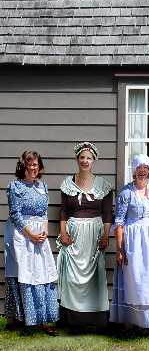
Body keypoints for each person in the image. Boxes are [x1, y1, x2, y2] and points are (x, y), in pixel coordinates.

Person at [56, 142, 114, 333]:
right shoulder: (67, 184)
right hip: (73, 234)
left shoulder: (103, 185)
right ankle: (75, 322)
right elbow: (64, 210)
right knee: (73, 278)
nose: (85, 161)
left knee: (92, 279)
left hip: (95, 235)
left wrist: (106, 235)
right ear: (77, 159)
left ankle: (94, 322)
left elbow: (107, 213)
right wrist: (63, 233)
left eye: (89, 158)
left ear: (94, 161)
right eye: (82, 157)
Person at [110, 154, 149, 331]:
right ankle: (130, 323)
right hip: (133, 242)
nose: (142, 171)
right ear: (134, 170)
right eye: (139, 167)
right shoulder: (126, 192)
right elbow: (119, 222)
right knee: (134, 280)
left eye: (146, 167)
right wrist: (120, 248)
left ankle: (148, 324)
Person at [4, 151, 58, 336]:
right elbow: (15, 214)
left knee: (41, 272)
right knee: (23, 271)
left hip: (39, 235)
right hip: (21, 233)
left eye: (36, 164)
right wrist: (31, 235)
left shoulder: (42, 186)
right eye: (30, 164)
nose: (33, 168)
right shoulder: (15, 186)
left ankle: (43, 318)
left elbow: (43, 212)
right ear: (23, 166)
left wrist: (44, 233)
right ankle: (20, 319)